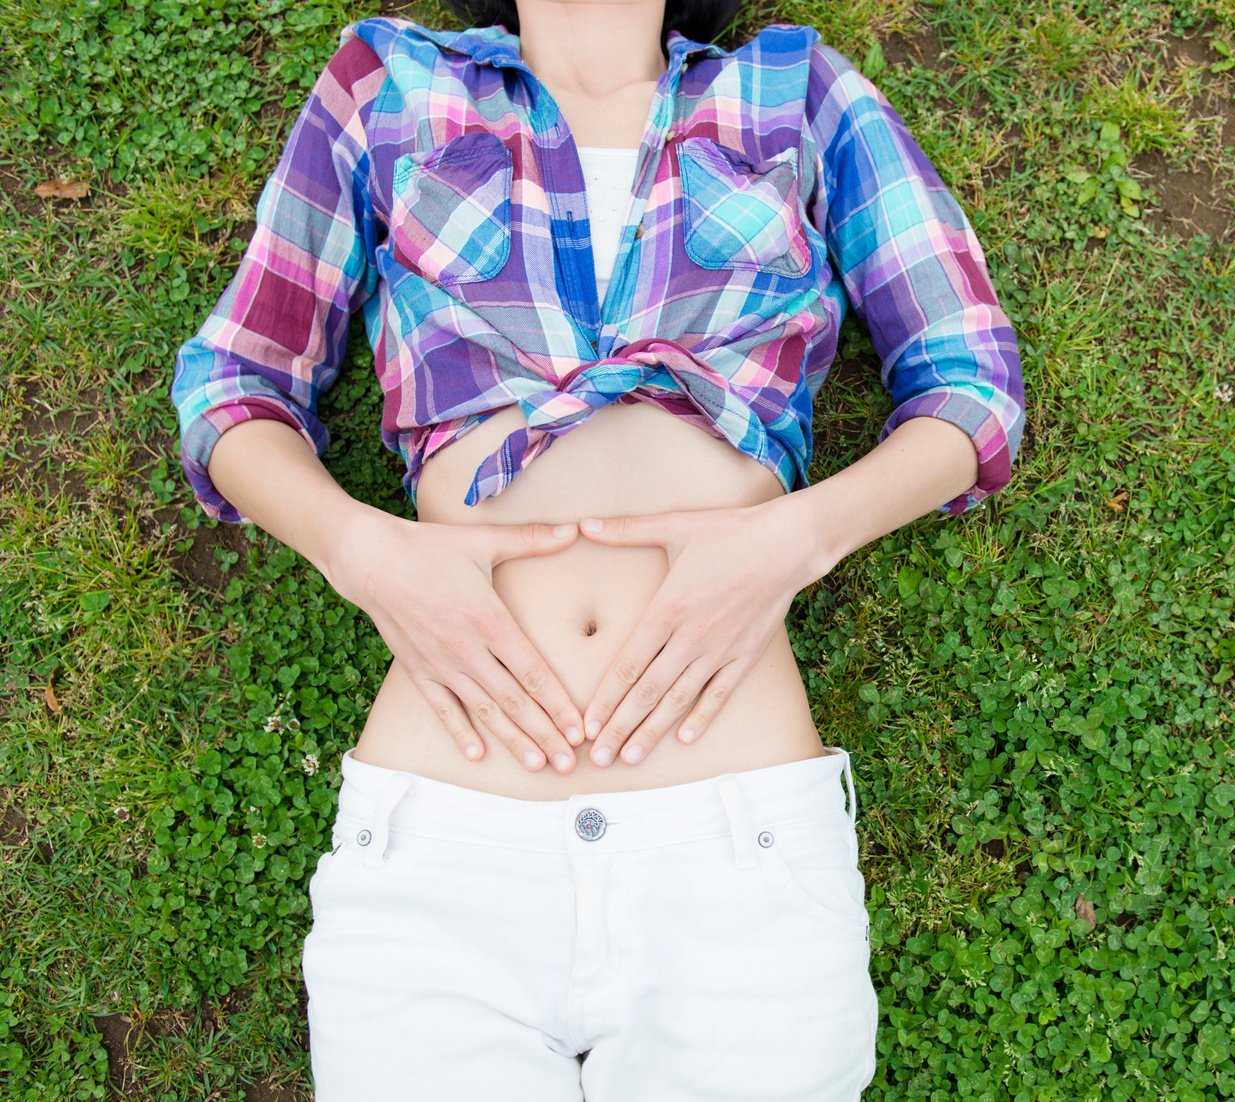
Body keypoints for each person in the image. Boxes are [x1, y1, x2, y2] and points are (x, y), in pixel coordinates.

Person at [169, 0, 1025, 1097]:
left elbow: (972, 383)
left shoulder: (795, 90)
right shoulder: (387, 83)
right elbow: (236, 381)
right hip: (444, 847)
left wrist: (793, 542)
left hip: (735, 847)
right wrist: (363, 552)